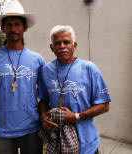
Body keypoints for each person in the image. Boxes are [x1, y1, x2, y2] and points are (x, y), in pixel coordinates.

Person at [0, 0, 44, 154]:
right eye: (9, 25)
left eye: (18, 24)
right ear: (2, 28)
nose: (13, 29)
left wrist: (45, 119)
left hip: (32, 130)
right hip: (4, 131)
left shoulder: (37, 60)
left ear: (25, 28)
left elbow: (44, 95)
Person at [39, 25, 111, 154]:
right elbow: (43, 100)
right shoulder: (46, 70)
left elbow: (104, 105)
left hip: (87, 144)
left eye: (66, 42)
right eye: (57, 43)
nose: (62, 46)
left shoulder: (89, 69)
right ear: (52, 48)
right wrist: (43, 116)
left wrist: (76, 116)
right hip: (57, 142)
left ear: (74, 45)